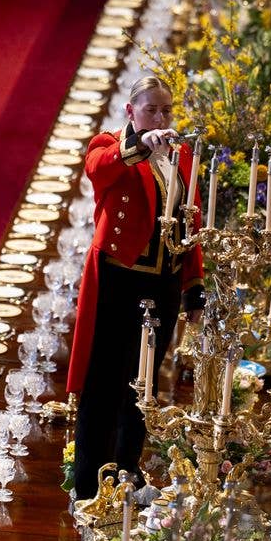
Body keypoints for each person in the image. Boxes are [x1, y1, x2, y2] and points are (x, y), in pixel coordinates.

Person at [67, 76, 205, 500]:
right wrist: (142, 144)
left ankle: (128, 472)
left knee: (142, 384)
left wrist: (193, 286)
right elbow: (99, 169)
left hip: (163, 282)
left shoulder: (181, 154)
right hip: (119, 280)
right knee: (105, 381)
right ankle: (89, 481)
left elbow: (190, 220)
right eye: (152, 109)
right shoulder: (109, 145)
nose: (161, 117)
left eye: (167, 110)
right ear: (131, 110)